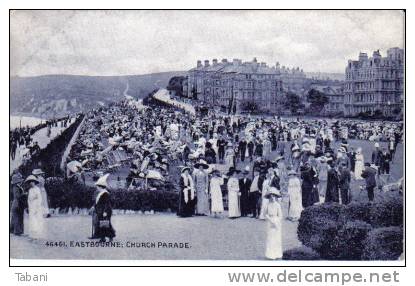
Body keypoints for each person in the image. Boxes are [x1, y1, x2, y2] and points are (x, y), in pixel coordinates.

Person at [91, 174, 116, 242]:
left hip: (105, 211)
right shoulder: (101, 193)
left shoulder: (105, 193)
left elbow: (107, 204)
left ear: (100, 187)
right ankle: (102, 237)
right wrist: (94, 207)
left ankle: (110, 236)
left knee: (105, 224)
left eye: (97, 186)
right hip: (100, 211)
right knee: (102, 224)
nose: (96, 188)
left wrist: (105, 212)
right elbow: (98, 202)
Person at [264, 188, 283, 260]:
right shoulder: (267, 205)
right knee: (270, 238)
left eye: (274, 196)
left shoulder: (278, 205)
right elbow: (265, 214)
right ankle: (270, 254)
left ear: (276, 197)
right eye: (271, 196)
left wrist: (276, 221)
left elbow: (280, 216)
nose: (272, 198)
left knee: (276, 238)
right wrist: (269, 219)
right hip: (269, 222)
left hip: (276, 222)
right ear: (269, 197)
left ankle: (277, 254)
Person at [25, 175, 46, 239]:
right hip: (31, 206)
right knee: (32, 219)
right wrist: (29, 206)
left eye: (32, 182)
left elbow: (39, 198)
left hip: (36, 205)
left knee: (37, 219)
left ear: (34, 182)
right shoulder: (30, 190)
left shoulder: (37, 189)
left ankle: (37, 234)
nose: (31, 183)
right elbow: (29, 199)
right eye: (30, 182)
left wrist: (38, 206)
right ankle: (32, 234)